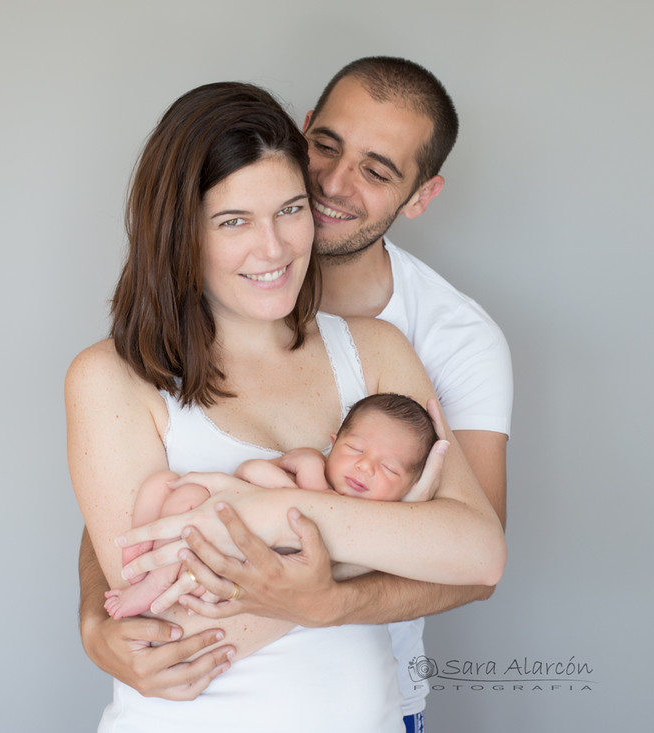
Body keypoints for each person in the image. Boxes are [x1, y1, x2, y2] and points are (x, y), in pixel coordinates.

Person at [77, 57, 513, 731]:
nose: (274, 245)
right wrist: (388, 529)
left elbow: (479, 554)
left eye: (289, 210)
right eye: (233, 221)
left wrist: (273, 511)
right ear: (181, 228)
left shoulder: (378, 349)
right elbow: (169, 629)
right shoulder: (110, 376)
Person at [104, 393, 439, 620]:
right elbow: (251, 472)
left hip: (238, 556)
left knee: (183, 502)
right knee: (160, 484)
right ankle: (135, 563)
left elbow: (301, 522)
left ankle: (156, 582)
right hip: (226, 513)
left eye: (389, 468)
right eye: (355, 449)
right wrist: (290, 475)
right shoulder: (313, 467)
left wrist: (285, 490)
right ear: (334, 443)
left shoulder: (373, 523)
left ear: (409, 489)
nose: (365, 467)